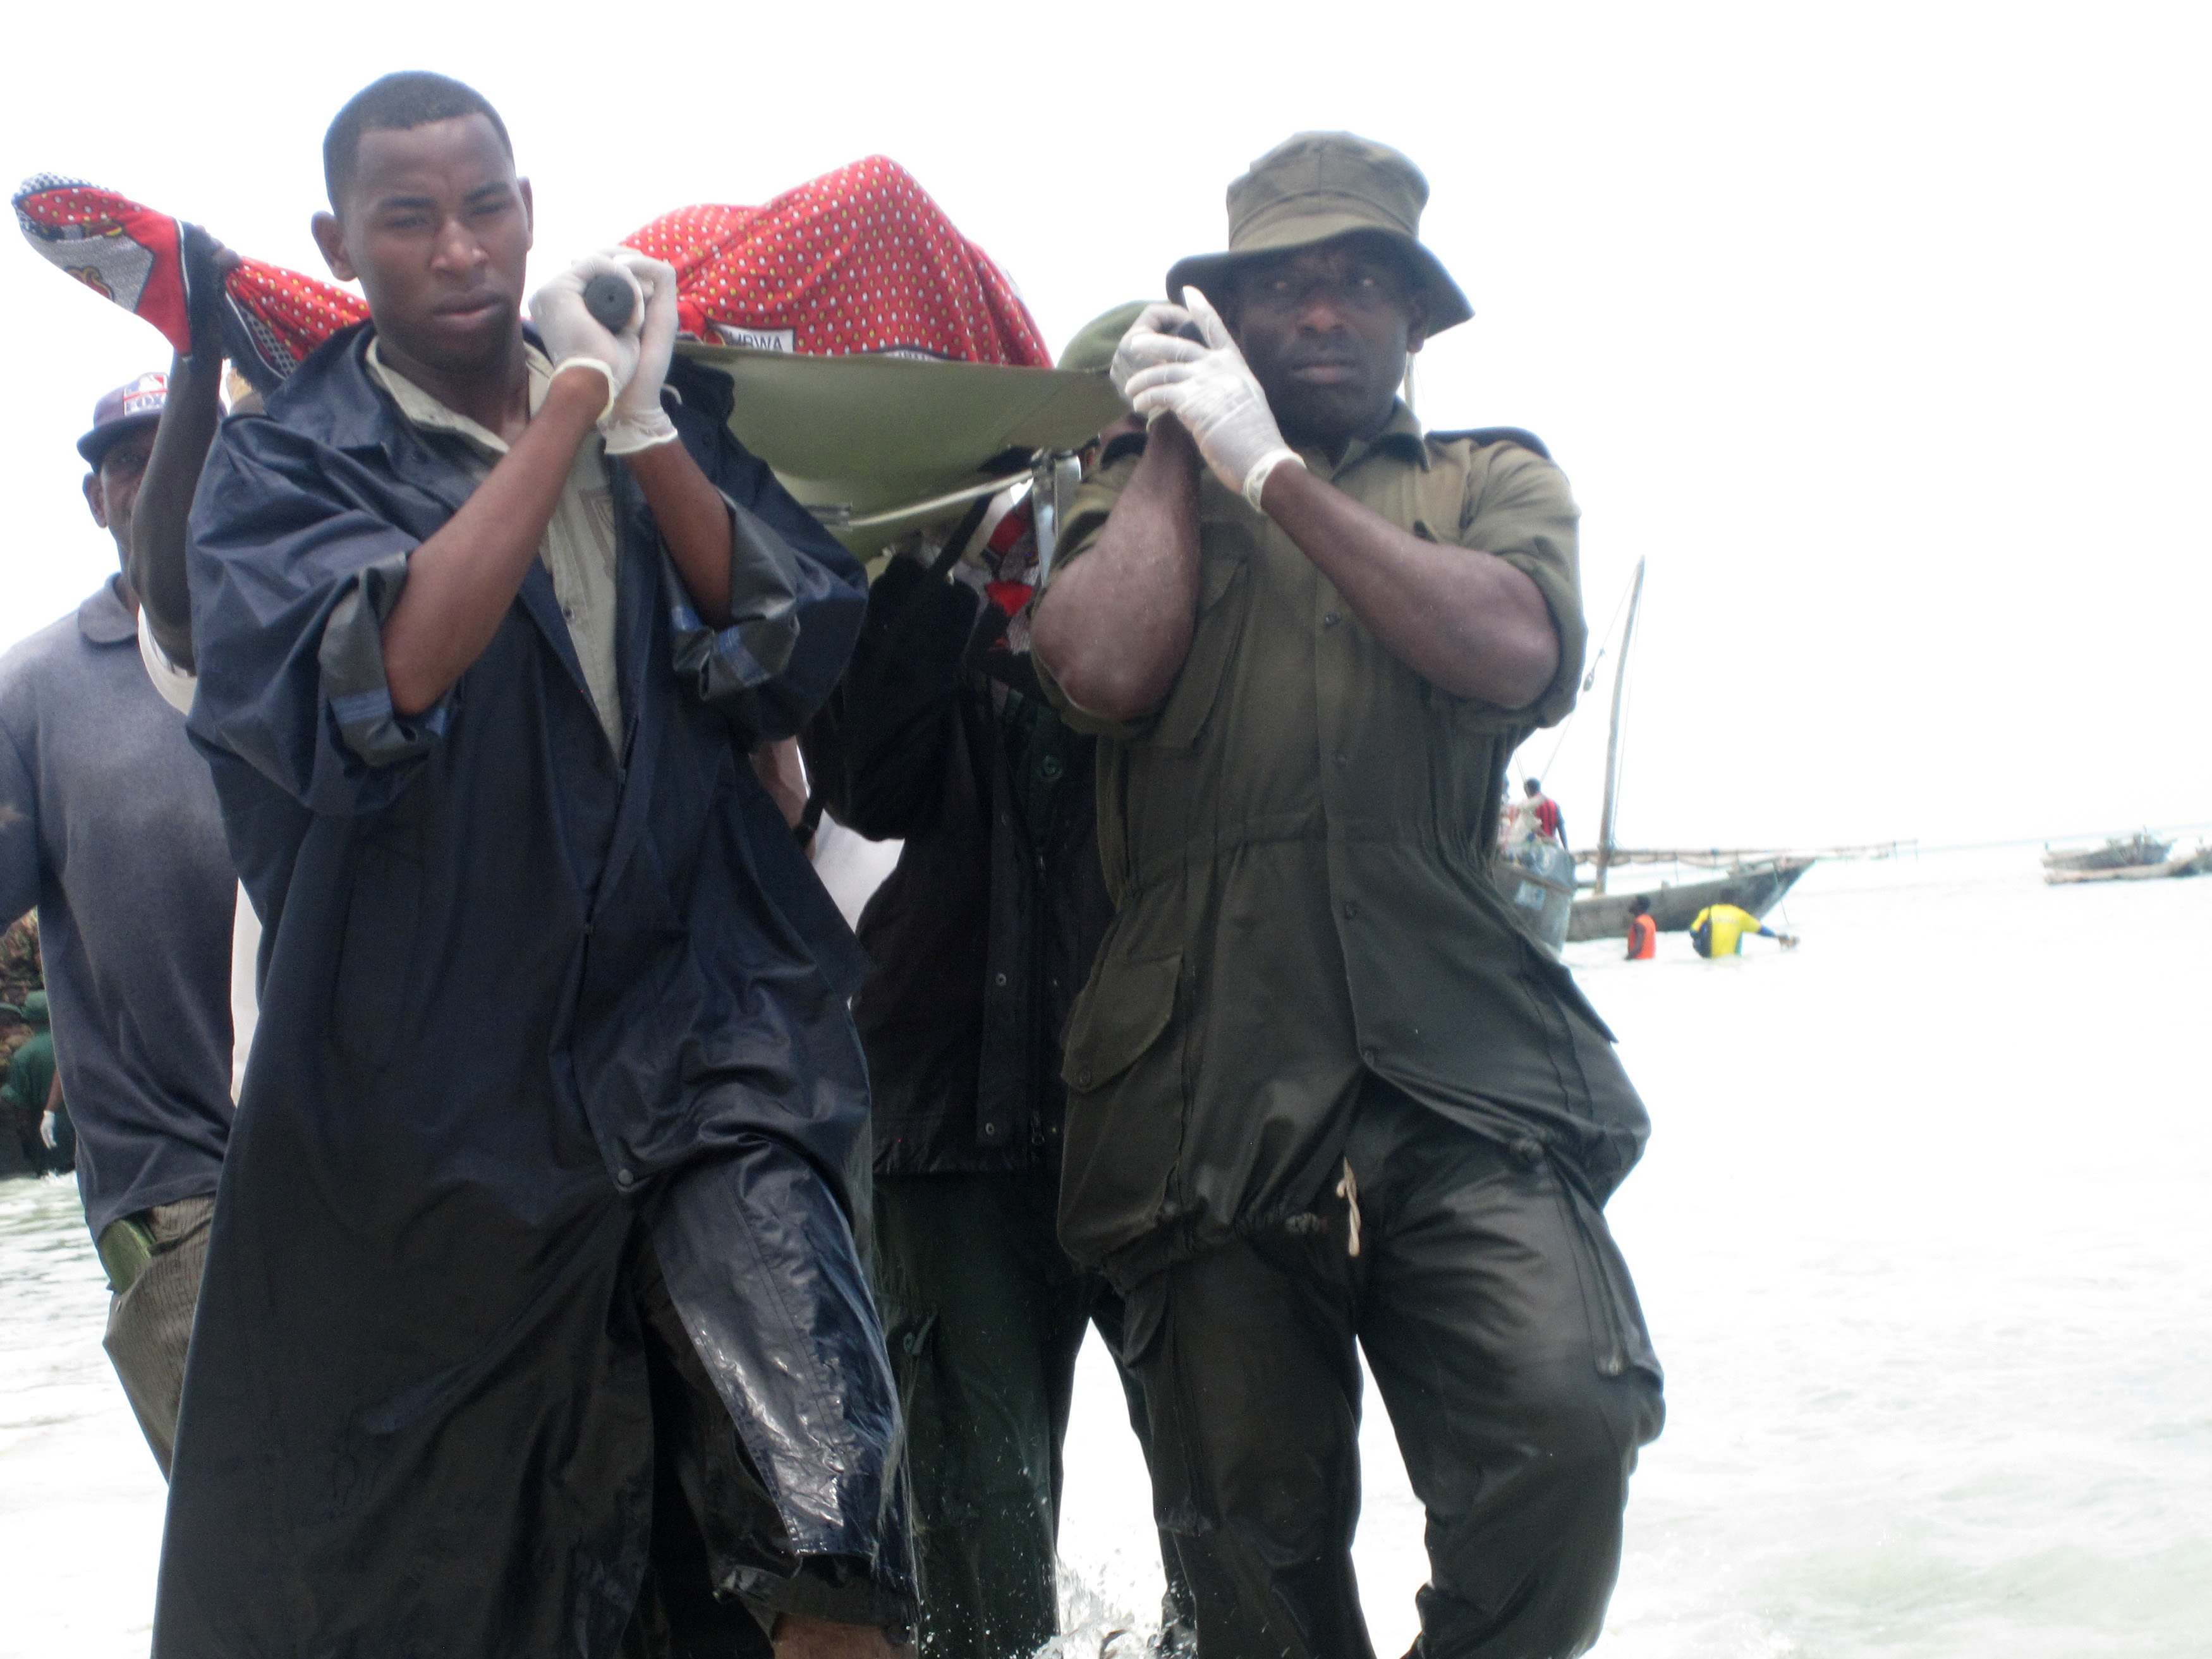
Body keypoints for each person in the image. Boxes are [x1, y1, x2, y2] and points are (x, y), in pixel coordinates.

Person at [160, 72, 909, 1658]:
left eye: (487, 204)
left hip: (709, 1038)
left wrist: (638, 426)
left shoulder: (659, 409)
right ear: (340, 242)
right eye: (409, 218)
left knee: (828, 1507)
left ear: (527, 204)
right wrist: (563, 406)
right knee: (529, 1582)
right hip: (445, 1108)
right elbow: (389, 679)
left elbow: (785, 645)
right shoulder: (289, 470)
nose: (461, 247)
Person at [1031, 132, 1665, 1659]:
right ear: (1226, 316)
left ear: (1417, 323)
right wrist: (1184, 445)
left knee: (1568, 1418)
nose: (1320, 314)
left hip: (1458, 1070)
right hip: (1204, 1087)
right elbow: (1098, 670)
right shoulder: (1129, 489)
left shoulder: (1488, 477)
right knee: (1252, 1548)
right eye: (1282, 288)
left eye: (1360, 284)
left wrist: (1280, 475)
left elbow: (1518, 653)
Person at [799, 304, 1192, 1658]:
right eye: (1097, 437)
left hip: (1160, 1136)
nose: (1117, 463)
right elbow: (864, 778)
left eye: (1149, 440)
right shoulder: (931, 578)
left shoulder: (1210, 599)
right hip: (945, 1137)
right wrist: (942, 570)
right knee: (976, 1569)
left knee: (1237, 1531)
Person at [0, 372, 240, 1474]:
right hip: (174, 1196)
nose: (159, 476)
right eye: (130, 459)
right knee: (256, 1553)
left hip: (359, 1166)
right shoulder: (35, 688)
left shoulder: (297, 639)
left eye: (182, 445)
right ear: (97, 499)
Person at [1, 992, 63, 1172]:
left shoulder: (23, 1055)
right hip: (86, 1134)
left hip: (45, 1142)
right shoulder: (74, 1045)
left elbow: (17, 1105)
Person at [1689, 902, 1797, 957]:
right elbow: (1761, 930)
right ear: (1735, 902)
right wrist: (1776, 937)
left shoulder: (1708, 912)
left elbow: (1693, 932)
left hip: (1710, 962)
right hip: (1733, 962)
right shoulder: (1739, 915)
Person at [1504, 775, 1567, 848]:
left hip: (1533, 847)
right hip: (1551, 848)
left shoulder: (1528, 806)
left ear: (1527, 790)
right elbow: (1561, 828)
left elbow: (1531, 828)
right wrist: (1566, 848)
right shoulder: (1554, 805)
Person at [1626, 896, 1658, 960]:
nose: (1630, 905)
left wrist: (1626, 960)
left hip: (1638, 962)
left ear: (1639, 906)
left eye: (1633, 903)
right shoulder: (1649, 921)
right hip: (1649, 960)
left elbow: (1638, 948)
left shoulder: (1639, 923)